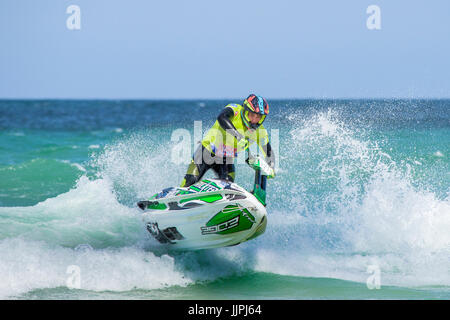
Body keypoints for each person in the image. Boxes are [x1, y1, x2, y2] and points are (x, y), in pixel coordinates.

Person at [180, 94, 275, 188]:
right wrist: (237, 136)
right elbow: (222, 117)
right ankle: (175, 197)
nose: (254, 120)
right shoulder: (235, 110)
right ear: (245, 111)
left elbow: (268, 151)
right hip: (205, 152)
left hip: (225, 160)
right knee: (190, 181)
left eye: (258, 117)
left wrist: (271, 168)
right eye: (252, 115)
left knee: (228, 184)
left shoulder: (260, 132)